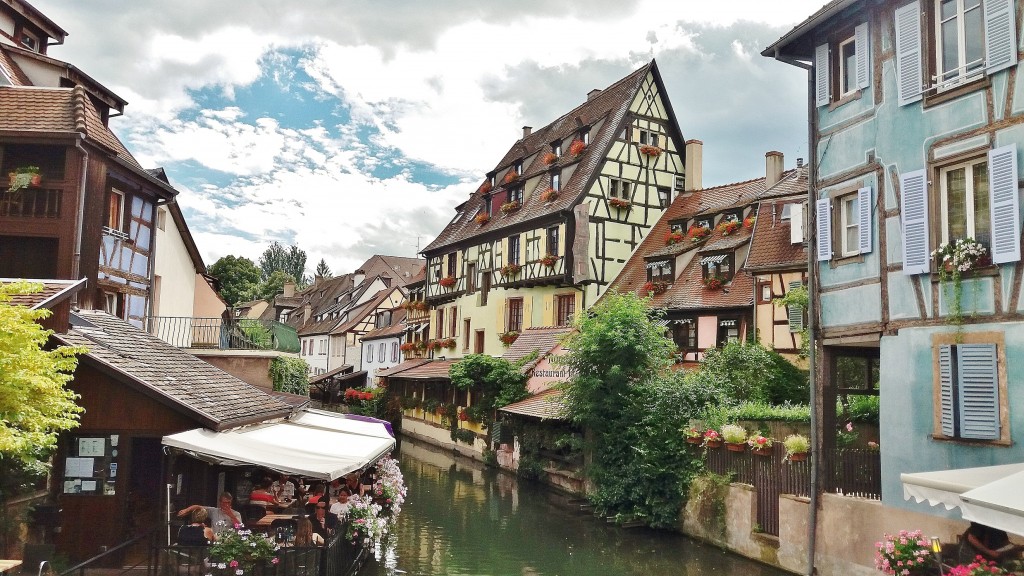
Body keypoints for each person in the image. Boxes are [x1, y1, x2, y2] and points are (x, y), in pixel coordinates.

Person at [179, 492, 243, 531]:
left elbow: (239, 528)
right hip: (214, 542)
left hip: (228, 544)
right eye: (224, 503)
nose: (226, 505)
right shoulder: (214, 511)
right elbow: (198, 507)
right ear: (220, 502)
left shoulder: (236, 514)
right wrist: (186, 510)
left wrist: (231, 515)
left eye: (228, 503)